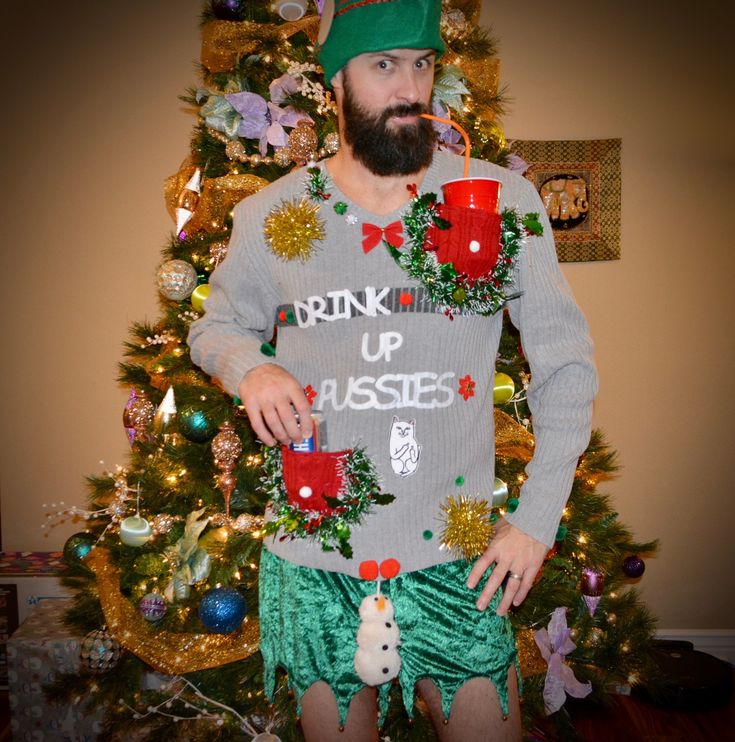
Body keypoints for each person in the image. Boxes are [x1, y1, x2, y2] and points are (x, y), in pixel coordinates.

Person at [188, 1, 597, 739]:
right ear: (334, 83)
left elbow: (565, 363)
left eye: (422, 63)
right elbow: (215, 326)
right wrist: (248, 366)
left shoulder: (501, 202)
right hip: (315, 564)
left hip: (455, 560)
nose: (410, 88)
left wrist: (535, 520)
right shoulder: (269, 215)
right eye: (382, 66)